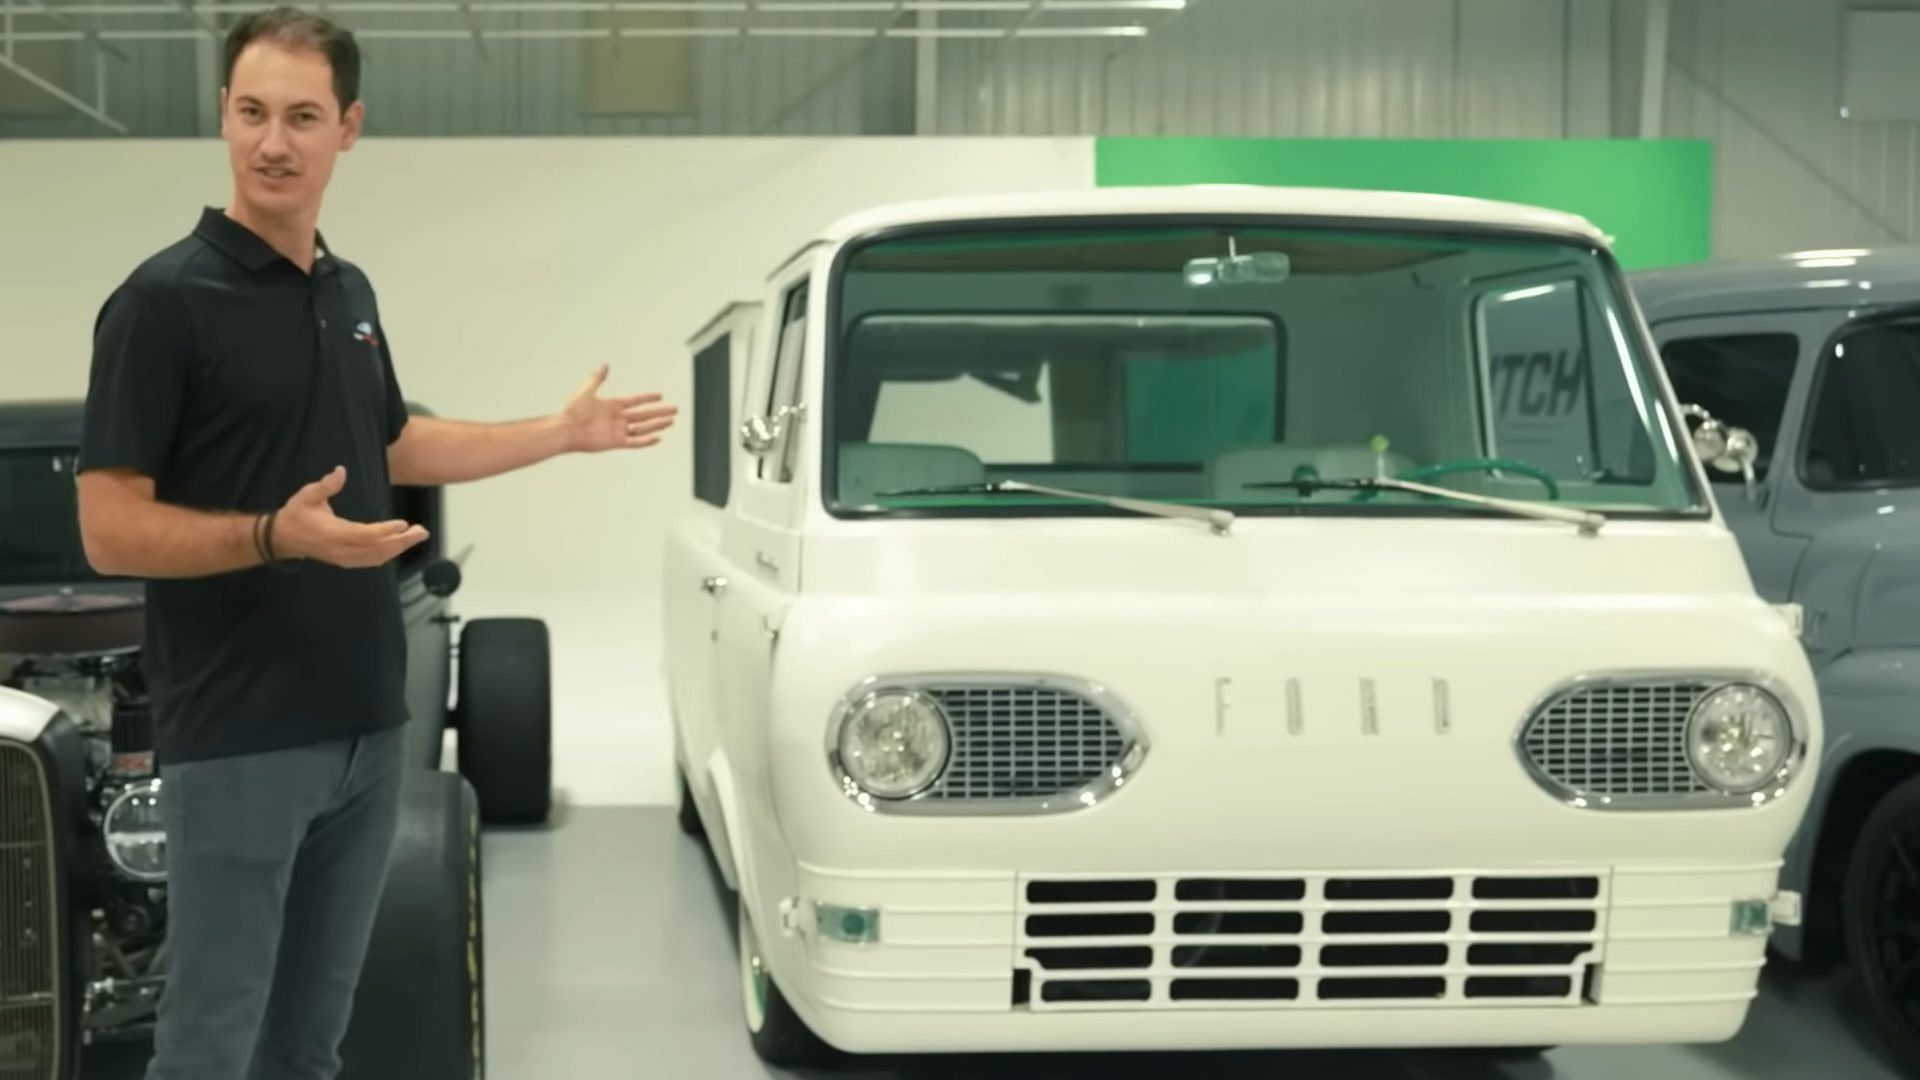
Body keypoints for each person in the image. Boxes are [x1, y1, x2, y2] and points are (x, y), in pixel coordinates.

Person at [73, 7, 677, 1079]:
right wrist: (272, 535)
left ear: (347, 128)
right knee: (211, 1042)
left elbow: (396, 441)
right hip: (241, 732)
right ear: (221, 113)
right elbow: (109, 525)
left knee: (310, 1046)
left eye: (302, 116)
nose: (274, 142)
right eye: (253, 112)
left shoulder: (347, 294)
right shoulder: (163, 302)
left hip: (365, 729)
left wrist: (559, 432)